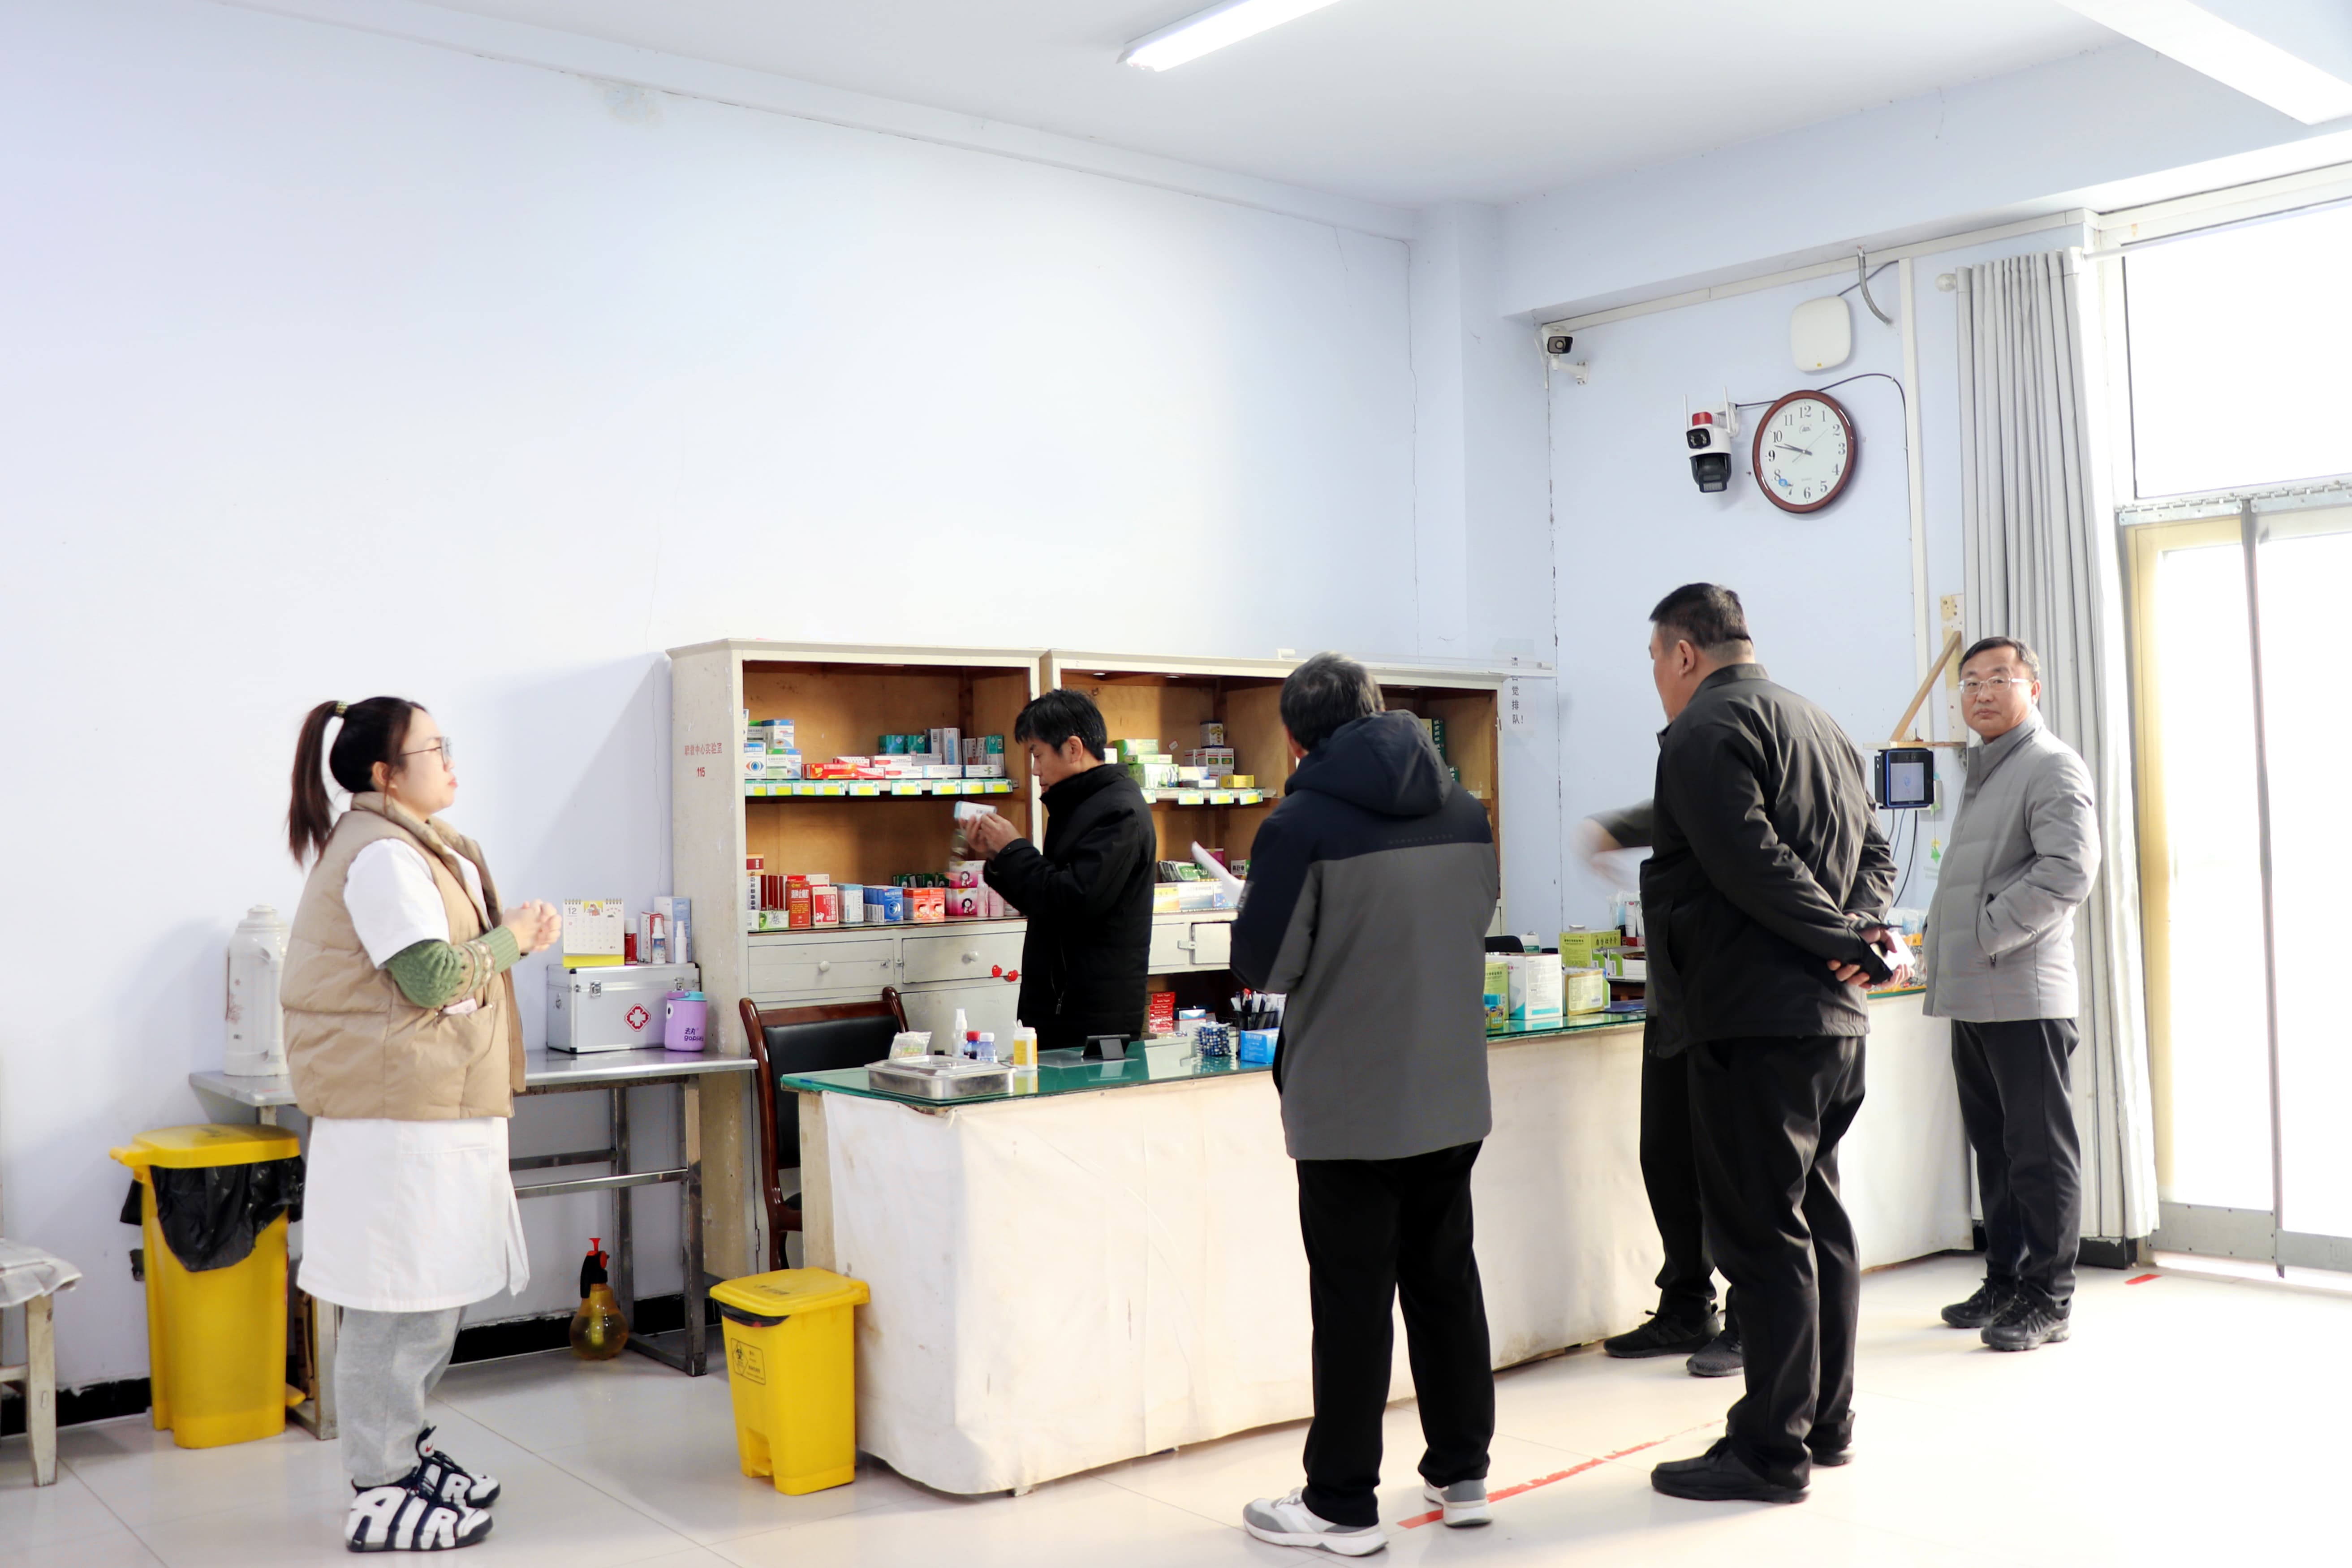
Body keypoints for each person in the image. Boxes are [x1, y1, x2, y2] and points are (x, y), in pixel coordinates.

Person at [1633, 585, 1905, 1507]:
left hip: (1752, 1017)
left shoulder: (1703, 730)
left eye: (1654, 661)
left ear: (1682, 653)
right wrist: (1858, 934)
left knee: (1761, 1233)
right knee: (1817, 1219)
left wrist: (1841, 940)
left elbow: (1749, 861)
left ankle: (1767, 1450)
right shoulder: (1821, 724)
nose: (1658, 678)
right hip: (1831, 1021)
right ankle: (1826, 1423)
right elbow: (1877, 853)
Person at [1229, 653, 1502, 1556]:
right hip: (1450, 1090)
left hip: (1349, 1105)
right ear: (1380, 711)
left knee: (1352, 1300)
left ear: (1295, 739)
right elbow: (1475, 919)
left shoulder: (1299, 824)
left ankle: (1342, 1503)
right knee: (1445, 1280)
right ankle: (1462, 1472)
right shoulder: (1464, 809)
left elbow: (1265, 965)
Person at [280, 698, 563, 1552]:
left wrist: (510, 940)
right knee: (395, 1306)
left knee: (429, 1302)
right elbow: (431, 977)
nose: (449, 760)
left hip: (427, 1107)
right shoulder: (381, 858)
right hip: (395, 1120)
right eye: (432, 748)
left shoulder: (412, 845)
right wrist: (514, 939)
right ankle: (378, 1483)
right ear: (385, 774)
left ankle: (402, 1454)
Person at [1920, 636, 2101, 1353]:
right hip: (1974, 991)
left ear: (2033, 689)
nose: (1982, 692)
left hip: (2023, 991)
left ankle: (2049, 1296)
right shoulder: (1986, 768)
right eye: (1969, 682)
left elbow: (2068, 871)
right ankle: (2004, 1279)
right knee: (1994, 1149)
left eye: (1999, 678)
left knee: (2038, 1152)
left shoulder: (2049, 764)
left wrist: (1986, 932)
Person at [1576, 800, 1741, 1380]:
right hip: (1672, 991)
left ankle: (1753, 1317)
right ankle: (1687, 1305)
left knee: (1734, 1170)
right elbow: (1681, 804)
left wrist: (1619, 827)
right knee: (1666, 1157)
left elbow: (1718, 804)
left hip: (1732, 996)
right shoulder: (1687, 762)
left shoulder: (1734, 754)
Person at [964, 689, 1154, 1054]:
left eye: (1037, 755)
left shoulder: (1119, 811)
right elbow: (1044, 902)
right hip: (1058, 1007)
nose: (1035, 769)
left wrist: (1014, 849)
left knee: (1091, 1093)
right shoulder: (1078, 806)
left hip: (1096, 1021)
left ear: (1073, 748)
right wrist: (998, 856)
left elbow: (1073, 900)